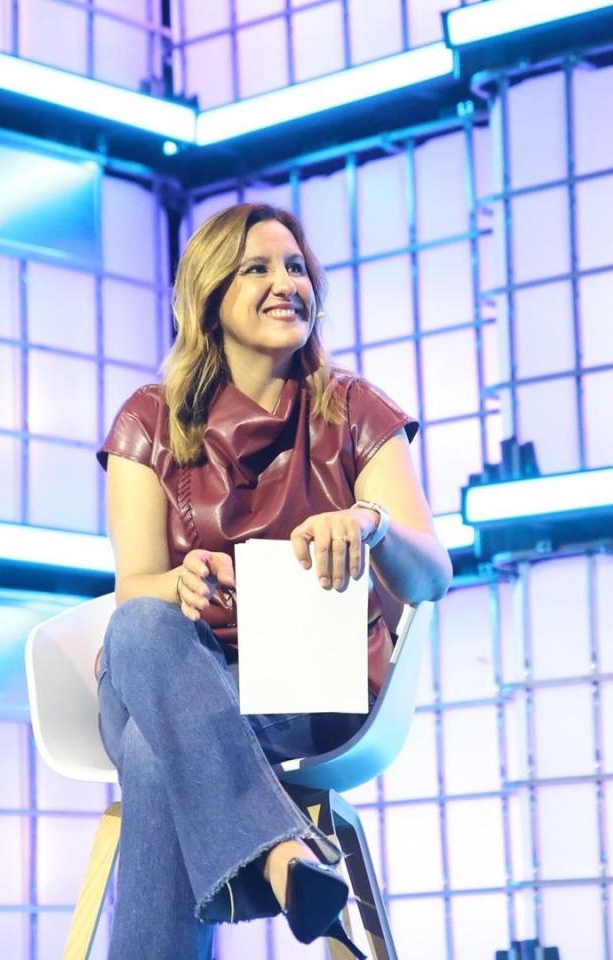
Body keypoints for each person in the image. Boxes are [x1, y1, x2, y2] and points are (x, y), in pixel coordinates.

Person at [95, 201, 452, 957]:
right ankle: (286, 851)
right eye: (256, 267)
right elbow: (135, 588)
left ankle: (275, 853)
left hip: (306, 692)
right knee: (140, 626)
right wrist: (182, 581)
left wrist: (370, 524)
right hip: (174, 669)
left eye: (295, 266)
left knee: (156, 757)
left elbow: (432, 577)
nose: (285, 282)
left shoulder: (355, 409)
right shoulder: (148, 421)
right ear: (209, 297)